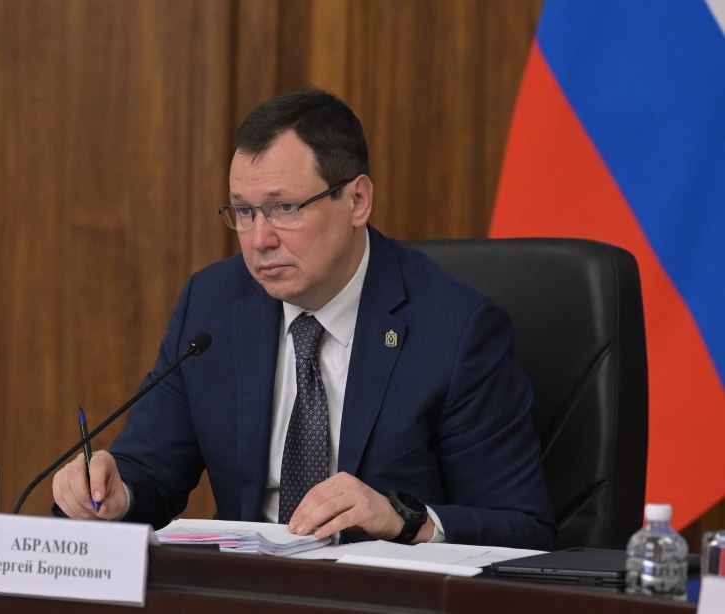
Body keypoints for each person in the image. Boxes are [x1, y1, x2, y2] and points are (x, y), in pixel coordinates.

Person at [52, 87, 556, 549]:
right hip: (245, 593)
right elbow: (150, 472)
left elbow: (523, 527)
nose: (259, 239)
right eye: (243, 212)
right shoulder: (212, 305)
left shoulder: (456, 329)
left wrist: (404, 520)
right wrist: (112, 492)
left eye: (285, 208)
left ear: (357, 201)